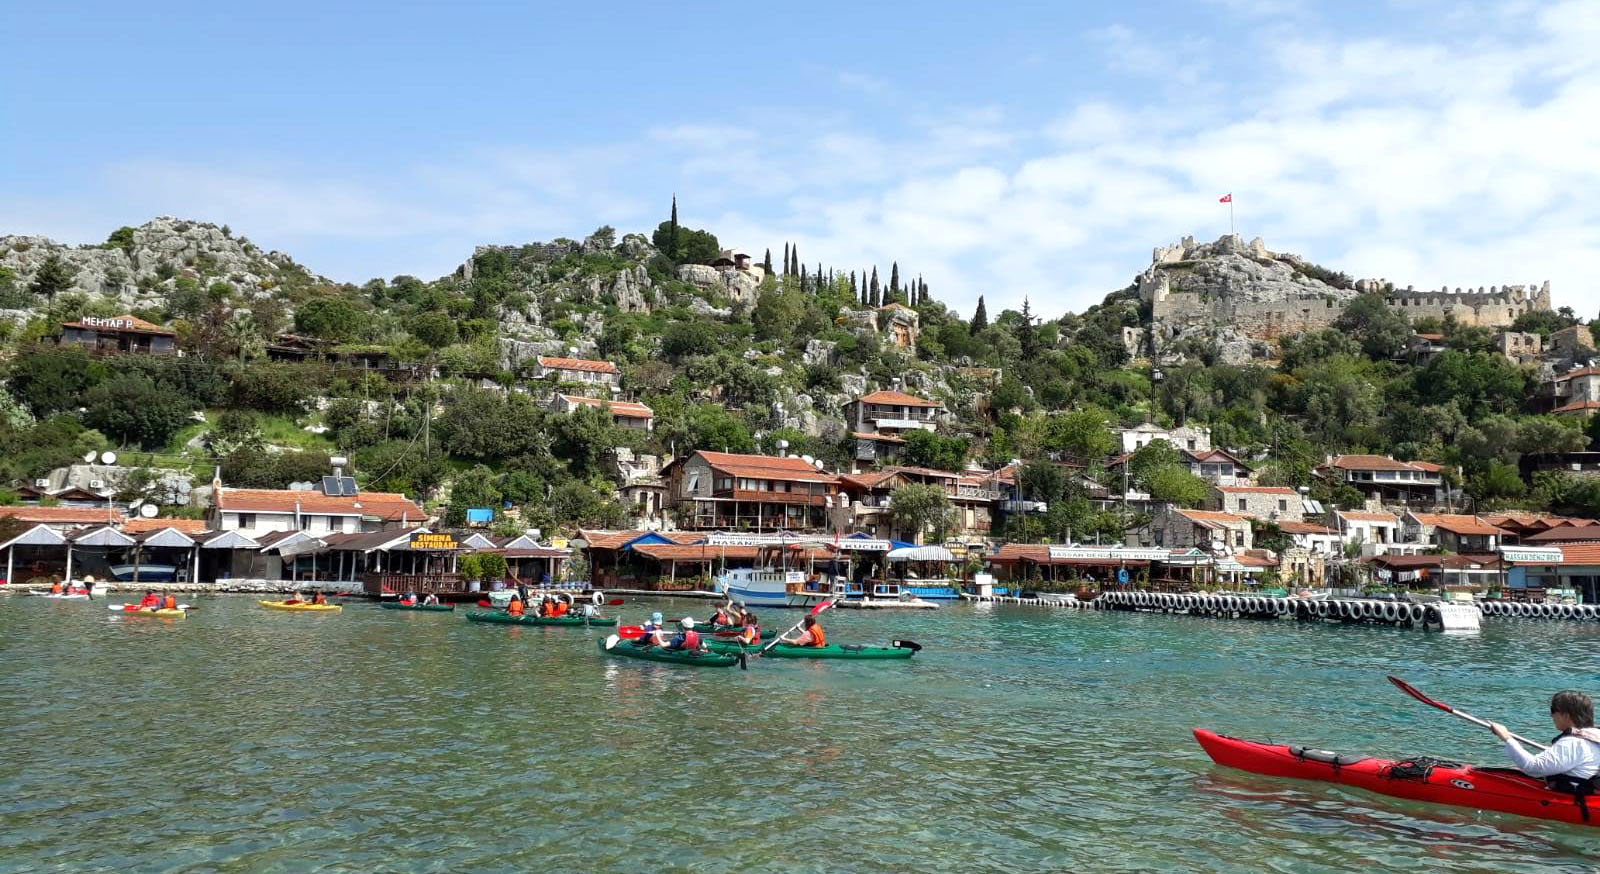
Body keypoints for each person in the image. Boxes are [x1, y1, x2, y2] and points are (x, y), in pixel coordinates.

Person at [1492, 691, 1600, 797]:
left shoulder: (1573, 743)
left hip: (1572, 798)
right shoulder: (1595, 735)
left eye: (1553, 710)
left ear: (1566, 715)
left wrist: (1506, 737)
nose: (1551, 715)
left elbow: (1532, 768)